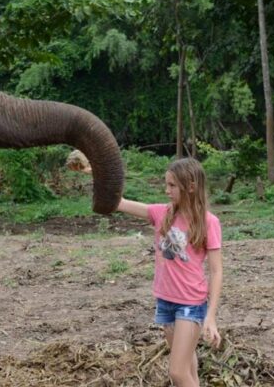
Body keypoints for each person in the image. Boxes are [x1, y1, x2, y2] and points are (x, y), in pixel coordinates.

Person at [117, 157, 223, 387]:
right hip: (166, 302)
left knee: (177, 372)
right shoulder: (161, 213)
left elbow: (216, 271)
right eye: (166, 184)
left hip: (190, 303)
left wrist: (211, 317)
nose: (167, 190)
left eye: (172, 185)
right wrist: (94, 170)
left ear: (191, 186)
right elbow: (119, 203)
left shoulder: (208, 222)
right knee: (187, 368)